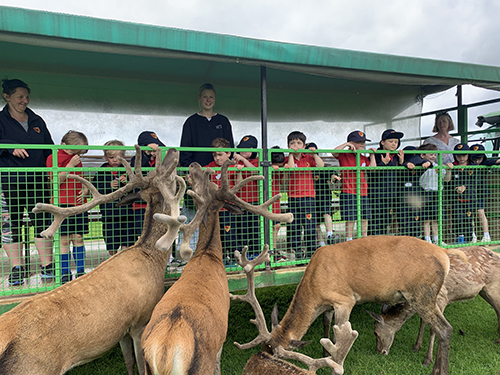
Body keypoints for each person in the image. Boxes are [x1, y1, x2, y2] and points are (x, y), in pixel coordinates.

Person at [0, 78, 54, 286]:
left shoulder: (37, 120)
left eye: (27, 97)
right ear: (7, 96)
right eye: (20, 97)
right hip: (9, 182)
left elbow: (49, 148)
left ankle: (47, 266)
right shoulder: (1, 119)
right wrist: (8, 146)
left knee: (41, 223)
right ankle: (16, 269)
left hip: (37, 182)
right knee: (10, 225)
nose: (25, 100)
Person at [179, 83, 234, 251]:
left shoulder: (223, 121)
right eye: (205, 96)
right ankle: (187, 252)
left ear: (215, 98)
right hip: (198, 177)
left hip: (217, 178)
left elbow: (230, 148)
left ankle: (218, 252)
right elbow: (185, 150)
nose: (208, 100)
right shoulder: (191, 122)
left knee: (216, 212)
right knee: (192, 212)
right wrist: (191, 173)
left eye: (211, 97)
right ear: (199, 98)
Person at [46, 130, 89, 283]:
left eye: (77, 152)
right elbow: (55, 181)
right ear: (63, 144)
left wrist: (85, 190)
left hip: (78, 205)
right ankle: (64, 271)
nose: (75, 154)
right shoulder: (53, 157)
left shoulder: (77, 159)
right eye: (72, 150)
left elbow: (82, 179)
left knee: (78, 237)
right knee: (63, 239)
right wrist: (70, 165)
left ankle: (80, 271)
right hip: (61, 205)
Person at [284, 131, 324, 260]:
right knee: (294, 226)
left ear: (304, 145)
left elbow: (321, 165)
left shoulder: (308, 158)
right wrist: (290, 153)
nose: (295, 145)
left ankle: (311, 251)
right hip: (293, 197)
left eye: (298, 143)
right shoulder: (287, 159)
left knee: (309, 225)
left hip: (308, 197)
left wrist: (314, 153)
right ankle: (298, 253)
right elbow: (290, 167)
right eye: (292, 143)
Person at [93, 140, 137, 256]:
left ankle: (125, 259)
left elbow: (136, 186)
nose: (115, 160)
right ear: (105, 157)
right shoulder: (102, 171)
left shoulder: (127, 169)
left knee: (127, 239)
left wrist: (127, 182)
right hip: (109, 213)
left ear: (123, 156)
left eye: (118, 157)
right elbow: (96, 188)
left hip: (127, 212)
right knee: (111, 240)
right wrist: (109, 186)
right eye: (111, 157)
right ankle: (113, 258)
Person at [332, 131, 376, 241]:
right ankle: (349, 239)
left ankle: (364, 239)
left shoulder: (362, 157)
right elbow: (334, 152)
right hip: (349, 191)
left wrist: (372, 155)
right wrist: (346, 145)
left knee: (364, 218)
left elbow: (373, 168)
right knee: (350, 218)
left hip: (363, 192)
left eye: (363, 142)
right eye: (359, 142)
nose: (362, 145)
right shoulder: (345, 155)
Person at [204, 137, 239, 266]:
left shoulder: (234, 166)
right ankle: (221, 258)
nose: (217, 158)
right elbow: (203, 174)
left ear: (228, 153)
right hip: (215, 208)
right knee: (218, 234)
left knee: (230, 233)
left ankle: (234, 257)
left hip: (228, 207)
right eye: (214, 155)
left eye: (220, 155)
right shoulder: (209, 167)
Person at [369, 129, 405, 236]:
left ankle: (383, 239)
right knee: (375, 218)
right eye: (391, 141)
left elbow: (401, 175)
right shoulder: (376, 153)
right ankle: (373, 240)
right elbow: (372, 171)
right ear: (382, 142)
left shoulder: (397, 156)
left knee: (386, 219)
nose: (394, 144)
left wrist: (402, 162)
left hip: (390, 193)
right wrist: (383, 163)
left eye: (396, 142)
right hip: (376, 193)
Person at [130, 131, 165, 238]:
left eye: (157, 150)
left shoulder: (159, 161)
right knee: (143, 234)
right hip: (141, 205)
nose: (154, 153)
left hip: (158, 204)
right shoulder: (135, 160)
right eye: (151, 150)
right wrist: (145, 154)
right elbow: (137, 170)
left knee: (161, 230)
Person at [418, 144, 453, 245]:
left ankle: (437, 239)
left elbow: (446, 180)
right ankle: (427, 239)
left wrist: (448, 170)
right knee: (426, 218)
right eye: (431, 154)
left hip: (437, 194)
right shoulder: (421, 166)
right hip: (425, 193)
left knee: (436, 218)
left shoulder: (439, 165)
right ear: (422, 155)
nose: (433, 156)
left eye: (435, 154)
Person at [305, 142, 340, 246]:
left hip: (324, 195)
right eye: (309, 152)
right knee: (314, 219)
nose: (312, 154)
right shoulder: (306, 167)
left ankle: (330, 233)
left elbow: (330, 172)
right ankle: (321, 242)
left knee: (326, 213)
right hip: (311, 197)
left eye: (315, 152)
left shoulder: (322, 166)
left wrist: (334, 176)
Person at [233, 135, 260, 259]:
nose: (242, 152)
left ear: (253, 149)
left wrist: (244, 161)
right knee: (242, 228)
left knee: (254, 228)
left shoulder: (255, 161)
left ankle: (255, 252)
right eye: (240, 149)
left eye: (246, 149)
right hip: (240, 200)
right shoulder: (236, 162)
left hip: (254, 200)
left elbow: (255, 171)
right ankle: (243, 253)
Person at [469, 144, 500, 243]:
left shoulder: (486, 162)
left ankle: (486, 236)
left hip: (479, 192)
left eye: (479, 158)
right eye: (474, 159)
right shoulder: (467, 164)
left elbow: (496, 161)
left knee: (480, 212)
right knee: (470, 214)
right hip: (468, 192)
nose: (477, 161)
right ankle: (472, 236)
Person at [451, 143, 475, 244]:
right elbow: (448, 182)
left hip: (470, 198)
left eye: (464, 155)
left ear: (468, 155)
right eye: (458, 155)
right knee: (457, 217)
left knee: (468, 219)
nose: (461, 158)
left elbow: (476, 181)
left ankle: (470, 239)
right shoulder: (452, 166)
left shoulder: (473, 166)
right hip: (456, 198)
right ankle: (459, 239)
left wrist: (466, 187)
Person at [270, 146, 287, 260]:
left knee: (277, 225)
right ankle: (267, 250)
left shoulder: (279, 167)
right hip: (265, 199)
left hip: (275, 200)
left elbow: (282, 181)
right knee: (265, 226)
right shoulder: (261, 163)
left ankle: (274, 250)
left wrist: (284, 170)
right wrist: (269, 168)